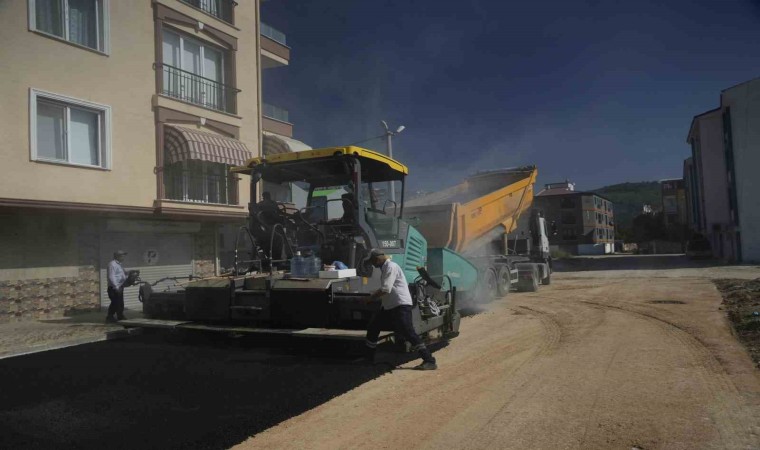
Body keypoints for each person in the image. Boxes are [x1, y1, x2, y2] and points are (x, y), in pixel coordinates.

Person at [362, 248, 438, 370]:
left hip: (400, 305)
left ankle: (429, 360)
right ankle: (368, 359)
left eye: (372, 261)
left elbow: (386, 289)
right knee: (373, 327)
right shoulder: (385, 268)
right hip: (390, 306)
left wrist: (370, 298)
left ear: (377, 258)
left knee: (408, 332)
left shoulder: (391, 266)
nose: (372, 264)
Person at [106, 250, 129, 323]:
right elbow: (111, 276)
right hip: (114, 288)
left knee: (120, 303)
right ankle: (109, 317)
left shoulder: (119, 264)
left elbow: (121, 276)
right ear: (118, 256)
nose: (123, 257)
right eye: (122, 256)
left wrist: (128, 275)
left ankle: (120, 316)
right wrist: (116, 287)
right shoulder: (112, 264)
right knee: (115, 303)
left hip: (120, 287)